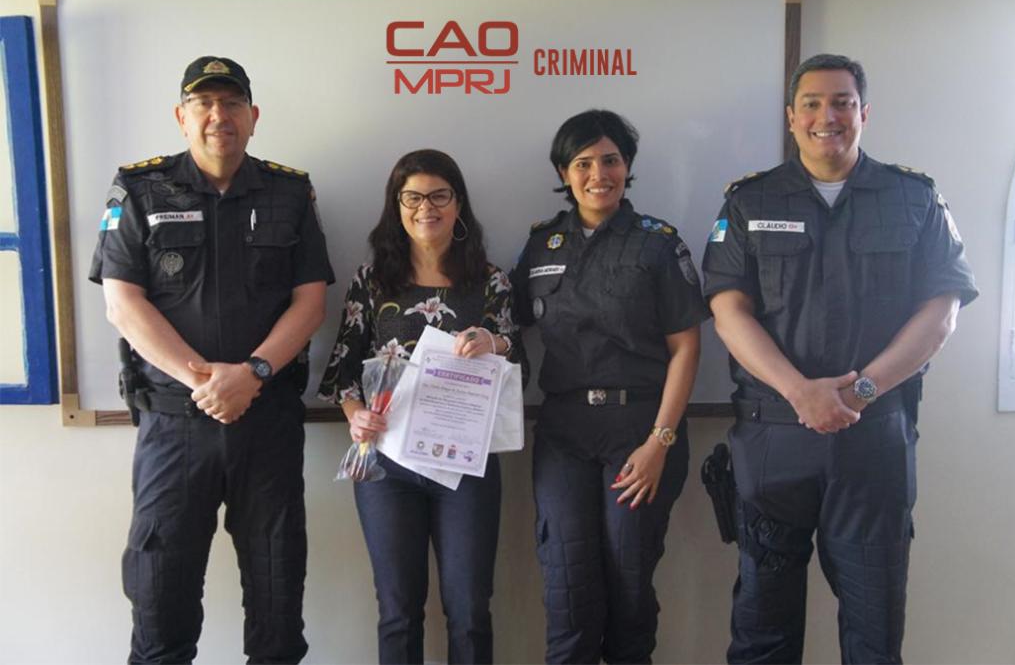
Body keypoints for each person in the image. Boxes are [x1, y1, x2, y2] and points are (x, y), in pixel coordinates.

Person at [702, 53, 978, 664]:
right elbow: (728, 310)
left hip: (871, 437)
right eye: (812, 104)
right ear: (791, 117)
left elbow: (942, 310)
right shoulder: (749, 201)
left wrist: (861, 392)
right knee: (762, 633)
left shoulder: (913, 197)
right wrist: (800, 391)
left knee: (874, 632)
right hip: (774, 439)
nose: (827, 116)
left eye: (842, 103)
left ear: (864, 113)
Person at [89, 56, 334, 664]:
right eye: (203, 104)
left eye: (231, 103)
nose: (218, 116)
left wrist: (251, 375)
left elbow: (310, 302)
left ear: (253, 117)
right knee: (159, 607)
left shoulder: (289, 191)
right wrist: (205, 382)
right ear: (182, 116)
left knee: (278, 605)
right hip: (174, 425)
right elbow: (122, 303)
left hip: (267, 422)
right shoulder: (138, 188)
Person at [510, 109, 708, 664]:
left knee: (628, 586)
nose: (599, 174)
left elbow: (686, 348)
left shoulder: (658, 244)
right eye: (583, 163)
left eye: (611, 160)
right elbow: (506, 324)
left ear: (627, 166)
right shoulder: (542, 244)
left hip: (639, 431)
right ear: (564, 172)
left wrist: (659, 442)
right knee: (568, 588)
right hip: (564, 434)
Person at [317, 149, 523, 665]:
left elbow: (518, 354)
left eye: (438, 196)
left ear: (458, 205)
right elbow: (342, 369)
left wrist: (492, 342)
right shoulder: (372, 280)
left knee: (470, 609)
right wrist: (355, 416)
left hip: (466, 463)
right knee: (398, 610)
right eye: (411, 198)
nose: (425, 208)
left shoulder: (490, 281)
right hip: (386, 464)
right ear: (396, 206)